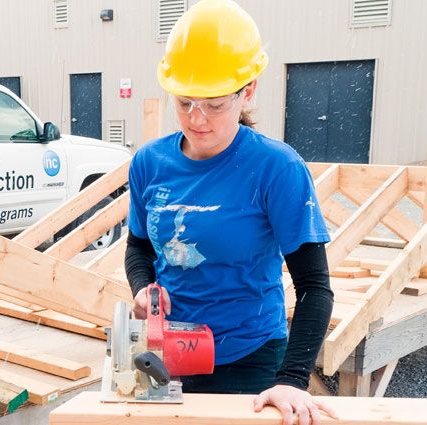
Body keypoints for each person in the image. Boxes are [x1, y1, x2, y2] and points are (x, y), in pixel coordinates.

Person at [124, 1, 338, 424]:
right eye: (184, 102)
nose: (197, 119)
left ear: (249, 90)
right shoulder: (149, 163)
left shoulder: (276, 168)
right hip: (169, 351)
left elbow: (315, 286)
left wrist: (292, 379)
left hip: (250, 356)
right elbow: (137, 247)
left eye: (215, 104)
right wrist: (143, 287)